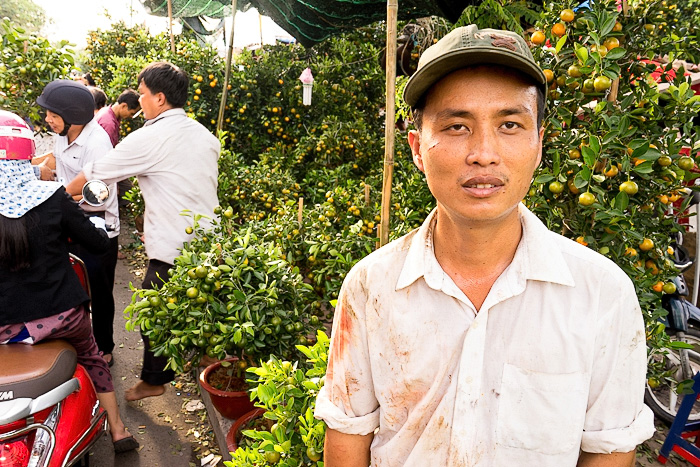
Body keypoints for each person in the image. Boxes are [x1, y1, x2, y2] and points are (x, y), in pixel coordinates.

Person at [314, 25, 655, 466]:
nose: (484, 153)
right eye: (457, 126)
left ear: (538, 145)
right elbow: (347, 436)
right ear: (418, 149)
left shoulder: (601, 293)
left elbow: (610, 450)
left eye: (509, 124)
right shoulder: (370, 286)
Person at [65, 61, 220, 402]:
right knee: (205, 304)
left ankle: (154, 380)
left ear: (160, 98)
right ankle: (209, 359)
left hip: (175, 244)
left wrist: (60, 199)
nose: (139, 101)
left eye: (143, 94)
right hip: (211, 242)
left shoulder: (150, 137)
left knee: (153, 308)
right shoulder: (204, 134)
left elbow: (96, 174)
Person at [0, 109, 138, 453]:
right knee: (92, 355)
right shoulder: (51, 197)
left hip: (4, 328)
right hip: (61, 318)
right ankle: (119, 430)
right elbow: (96, 241)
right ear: (27, 153)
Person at [36, 80, 121, 367]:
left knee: (99, 291)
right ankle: (77, 343)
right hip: (70, 222)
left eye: (52, 114)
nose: (47, 119)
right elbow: (57, 164)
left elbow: (100, 195)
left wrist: (56, 197)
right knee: (72, 289)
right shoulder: (64, 134)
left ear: (72, 114)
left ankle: (104, 348)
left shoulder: (97, 143)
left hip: (98, 228)